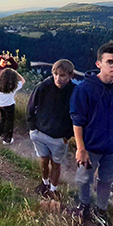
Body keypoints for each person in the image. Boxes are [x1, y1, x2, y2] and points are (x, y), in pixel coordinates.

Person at [70, 41, 113, 226]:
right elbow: (77, 121)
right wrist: (81, 148)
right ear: (99, 64)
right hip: (91, 146)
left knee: (107, 180)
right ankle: (83, 204)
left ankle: (101, 209)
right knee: (84, 178)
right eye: (110, 62)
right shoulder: (84, 89)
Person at [26, 59, 76, 197]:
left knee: (56, 164)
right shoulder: (43, 86)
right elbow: (30, 107)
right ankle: (44, 182)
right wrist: (32, 129)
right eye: (55, 74)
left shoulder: (75, 92)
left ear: (71, 75)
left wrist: (68, 135)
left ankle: (53, 190)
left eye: (62, 75)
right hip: (40, 132)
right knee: (43, 160)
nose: (58, 78)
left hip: (59, 137)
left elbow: (78, 116)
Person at [0, 68, 25, 145]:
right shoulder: (14, 87)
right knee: (9, 122)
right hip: (9, 106)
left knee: (2, 120)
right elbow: (23, 81)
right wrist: (16, 73)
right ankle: (7, 140)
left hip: (0, 105)